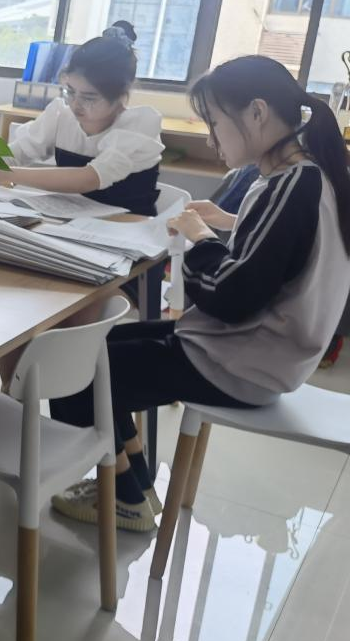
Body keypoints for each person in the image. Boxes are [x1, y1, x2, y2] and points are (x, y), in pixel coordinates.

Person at [49, 56, 350, 532]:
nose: (211, 139)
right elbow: (286, 251)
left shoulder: (290, 185)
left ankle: (124, 497)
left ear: (256, 113)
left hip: (243, 361)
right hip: (260, 352)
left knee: (69, 372)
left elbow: (230, 297)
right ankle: (136, 484)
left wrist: (199, 237)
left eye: (214, 123)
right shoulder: (307, 173)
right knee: (91, 348)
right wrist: (229, 222)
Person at [0, 21, 164, 215]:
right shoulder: (60, 116)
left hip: (129, 225)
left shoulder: (139, 125)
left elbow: (89, 179)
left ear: (120, 95)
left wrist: (5, 174)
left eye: (89, 97)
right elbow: (15, 154)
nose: (76, 104)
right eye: (70, 91)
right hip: (72, 222)